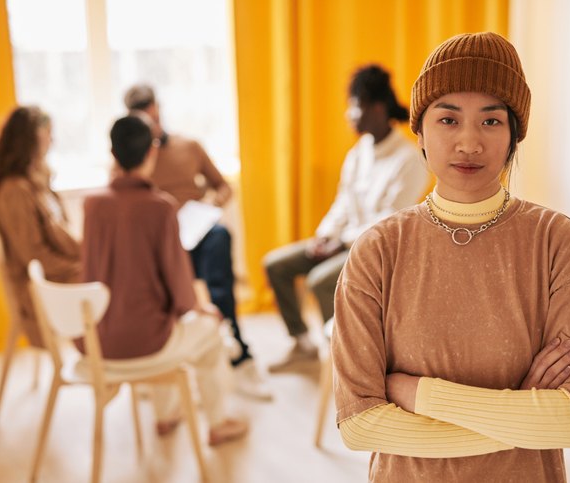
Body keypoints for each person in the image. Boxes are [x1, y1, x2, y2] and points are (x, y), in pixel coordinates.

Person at [331, 32, 570, 482]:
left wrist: (416, 393)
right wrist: (521, 414)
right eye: (447, 120)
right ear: (419, 130)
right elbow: (360, 425)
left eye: (491, 121)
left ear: (514, 135)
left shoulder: (561, 243)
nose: (468, 142)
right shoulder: (377, 251)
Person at [80, 115, 248, 444]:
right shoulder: (161, 208)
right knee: (208, 330)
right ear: (152, 152)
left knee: (156, 317)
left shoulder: (92, 205)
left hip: (98, 341)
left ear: (113, 153)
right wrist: (203, 310)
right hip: (147, 343)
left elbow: (87, 273)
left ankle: (166, 415)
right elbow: (181, 294)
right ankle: (216, 423)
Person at [263, 64, 428, 372]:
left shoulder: (409, 159)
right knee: (276, 265)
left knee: (321, 282)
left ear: (377, 109)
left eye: (356, 106)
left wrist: (340, 242)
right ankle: (304, 343)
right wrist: (325, 234)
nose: (349, 115)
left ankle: (347, 359)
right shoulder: (358, 152)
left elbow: (389, 221)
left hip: (378, 248)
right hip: (342, 241)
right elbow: (342, 201)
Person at [123, 84, 271, 401]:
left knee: (220, 237)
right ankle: (161, 360)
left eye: (157, 118)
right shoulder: (129, 165)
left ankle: (234, 348)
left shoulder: (189, 147)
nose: (156, 127)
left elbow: (222, 187)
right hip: (159, 243)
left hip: (198, 232)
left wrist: (210, 208)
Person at [0, 106, 80, 347]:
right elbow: (35, 257)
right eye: (48, 133)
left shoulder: (37, 183)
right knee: (116, 285)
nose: (52, 140)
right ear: (29, 141)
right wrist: (82, 266)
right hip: (42, 290)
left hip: (58, 276)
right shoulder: (14, 192)